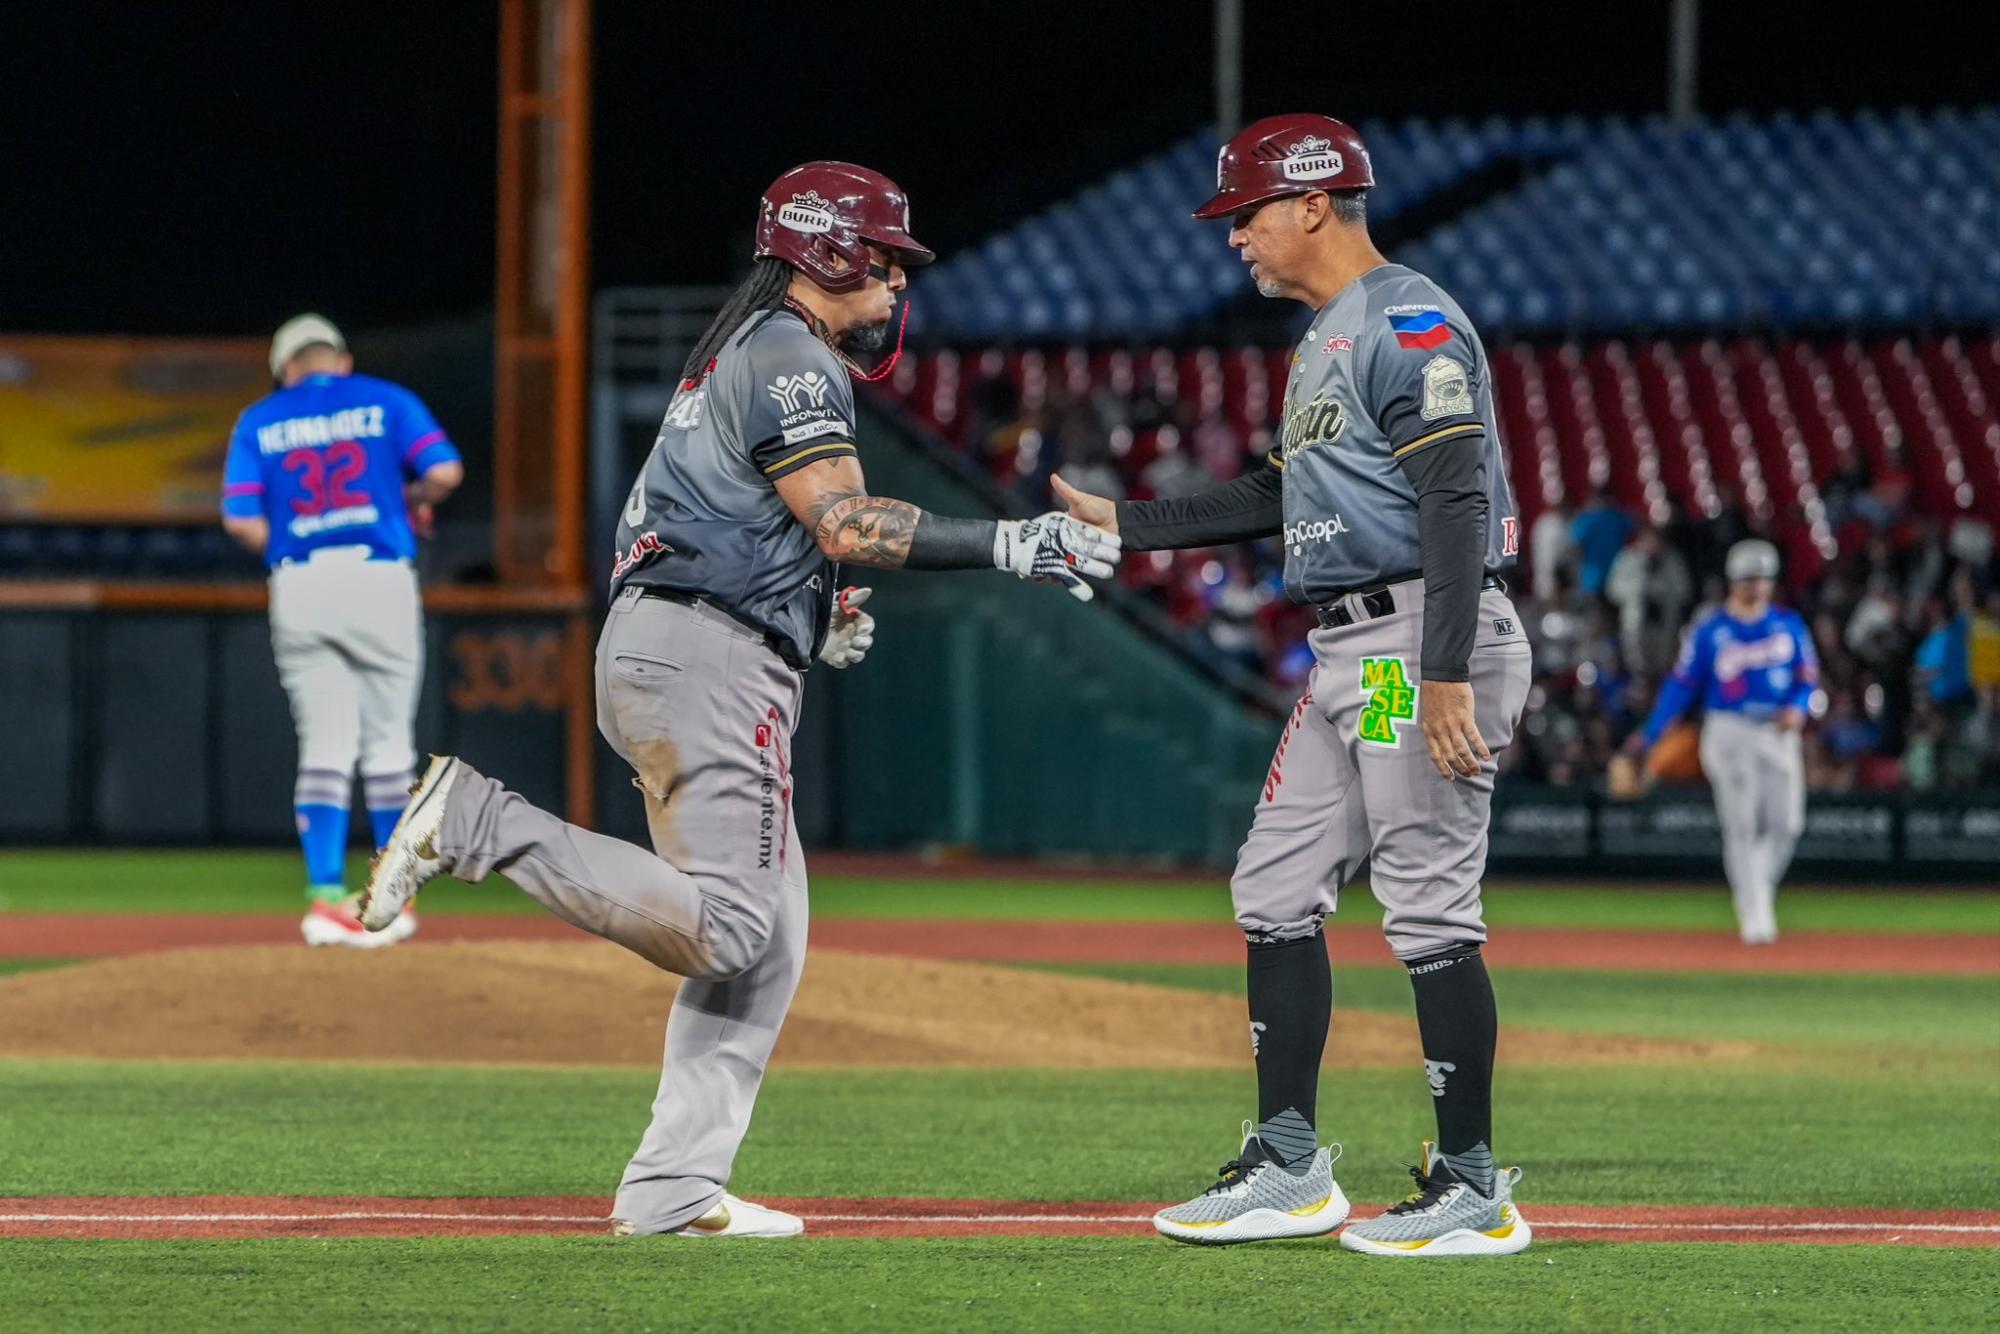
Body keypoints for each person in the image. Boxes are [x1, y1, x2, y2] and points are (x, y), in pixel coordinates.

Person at [357, 162, 1120, 1239]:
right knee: (728, 927)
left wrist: (811, 614)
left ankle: (671, 1187)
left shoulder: (749, 347)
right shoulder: (786, 353)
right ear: (828, 252)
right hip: (704, 656)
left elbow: (769, 534)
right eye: (888, 259)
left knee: (770, 941)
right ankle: (476, 818)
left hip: (684, 644)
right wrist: (1010, 540)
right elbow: (846, 524)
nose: (900, 283)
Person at [1055, 113, 1532, 1256]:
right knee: (1273, 883)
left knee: (1424, 902)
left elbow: (1457, 498)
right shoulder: (1324, 338)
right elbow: (1276, 490)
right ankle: (1286, 1163)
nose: (1234, 237)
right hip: (1356, 655)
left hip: (1417, 637)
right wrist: (1127, 524)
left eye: (1246, 213)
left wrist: (1446, 670)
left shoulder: (1405, 320)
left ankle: (1470, 1182)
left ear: (1312, 204)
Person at [220, 314, 463, 948]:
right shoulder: (387, 400)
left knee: (324, 746)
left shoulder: (259, 419)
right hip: (377, 577)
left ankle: (323, 900)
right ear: (342, 360)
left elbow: (241, 520)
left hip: (300, 582)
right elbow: (444, 472)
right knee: (387, 747)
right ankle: (389, 902)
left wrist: (300, 540)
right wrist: (404, 501)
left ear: (285, 369)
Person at [1625, 539, 1818, 944]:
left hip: (1777, 732)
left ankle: (1756, 894)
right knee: (1743, 824)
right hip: (1729, 729)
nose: (1757, 585)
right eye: (1750, 577)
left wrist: (1800, 707)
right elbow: (1682, 685)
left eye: (1764, 577)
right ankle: (1755, 917)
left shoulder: (1788, 625)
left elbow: (1808, 680)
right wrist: (1651, 733)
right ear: (1734, 581)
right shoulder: (1712, 629)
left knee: (1788, 824)